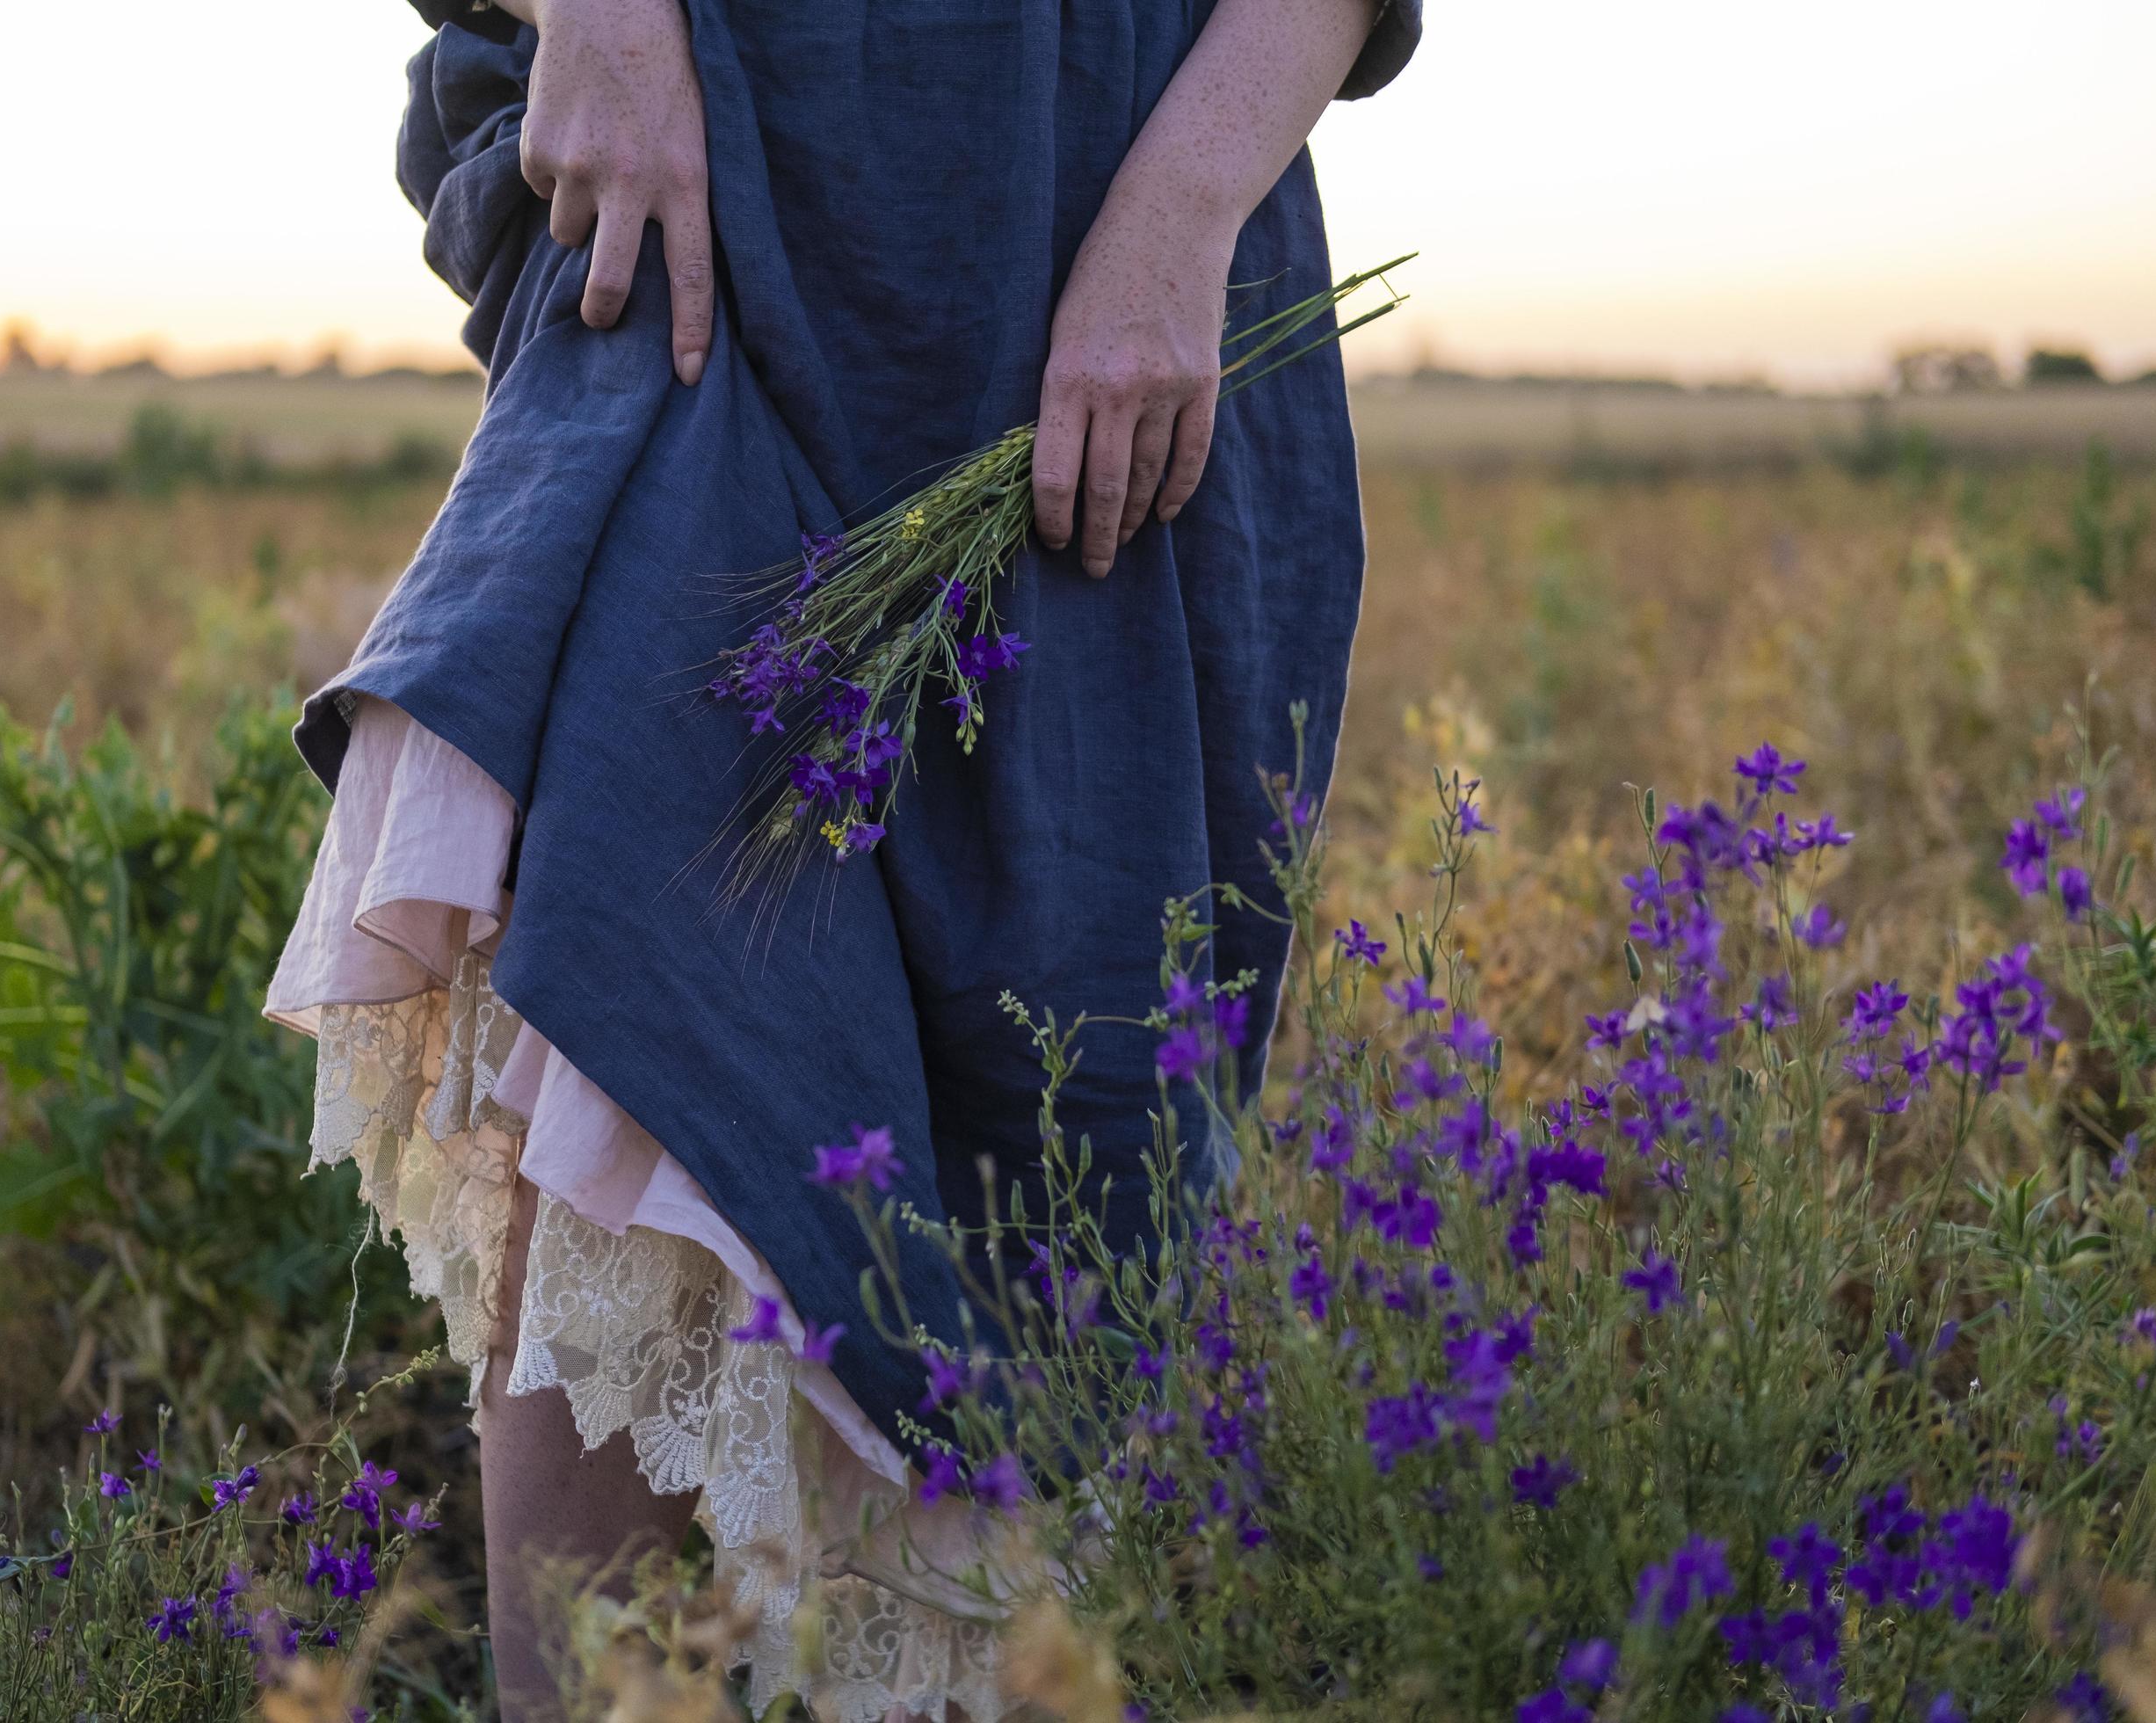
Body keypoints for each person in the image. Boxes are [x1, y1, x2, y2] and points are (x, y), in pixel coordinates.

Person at [266, 0, 1421, 1713]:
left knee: (1057, 1109)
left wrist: (1177, 217)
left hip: (1118, 271)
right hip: (712, 224)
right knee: (626, 1006)